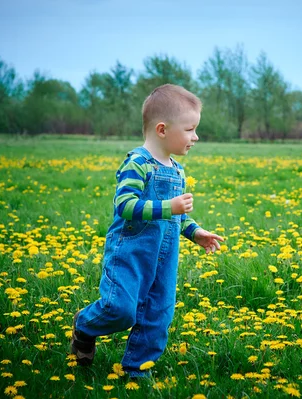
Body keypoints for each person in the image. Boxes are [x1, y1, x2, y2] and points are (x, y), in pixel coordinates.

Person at [70, 84, 224, 377]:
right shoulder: (137, 163)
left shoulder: (178, 170)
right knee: (121, 309)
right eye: (191, 129)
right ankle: (85, 325)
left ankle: (136, 372)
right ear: (163, 130)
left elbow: (173, 217)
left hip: (164, 259)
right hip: (129, 254)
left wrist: (195, 231)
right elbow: (125, 205)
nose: (196, 137)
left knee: (158, 314)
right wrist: (169, 206)